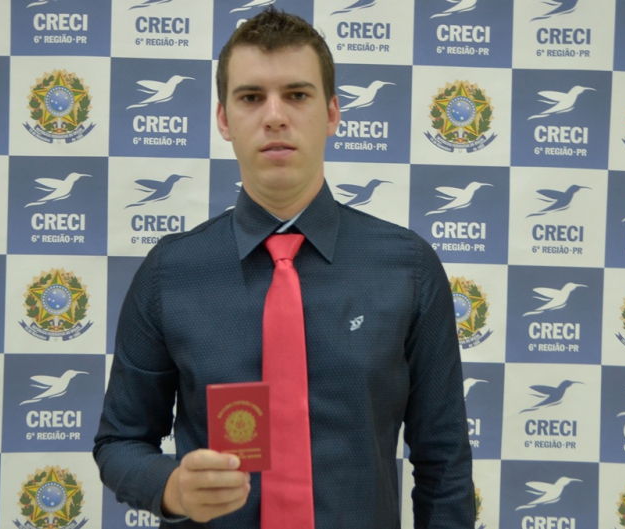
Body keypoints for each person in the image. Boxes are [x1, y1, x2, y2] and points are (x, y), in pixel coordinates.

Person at [94, 7, 473, 528]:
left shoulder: (408, 269)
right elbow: (119, 441)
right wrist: (171, 487)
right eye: (251, 97)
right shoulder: (169, 273)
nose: (274, 116)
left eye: (297, 95)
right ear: (224, 119)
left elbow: (444, 463)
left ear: (332, 113)